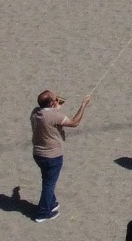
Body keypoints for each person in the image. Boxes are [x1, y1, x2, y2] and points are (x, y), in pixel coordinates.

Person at [29, 88, 90, 219]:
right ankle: (43, 213)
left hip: (38, 154)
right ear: (51, 103)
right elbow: (74, 123)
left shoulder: (35, 112)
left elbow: (48, 118)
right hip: (52, 156)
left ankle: (50, 202)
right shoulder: (53, 116)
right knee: (49, 184)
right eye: (54, 98)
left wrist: (55, 108)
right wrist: (83, 105)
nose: (56, 98)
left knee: (47, 181)